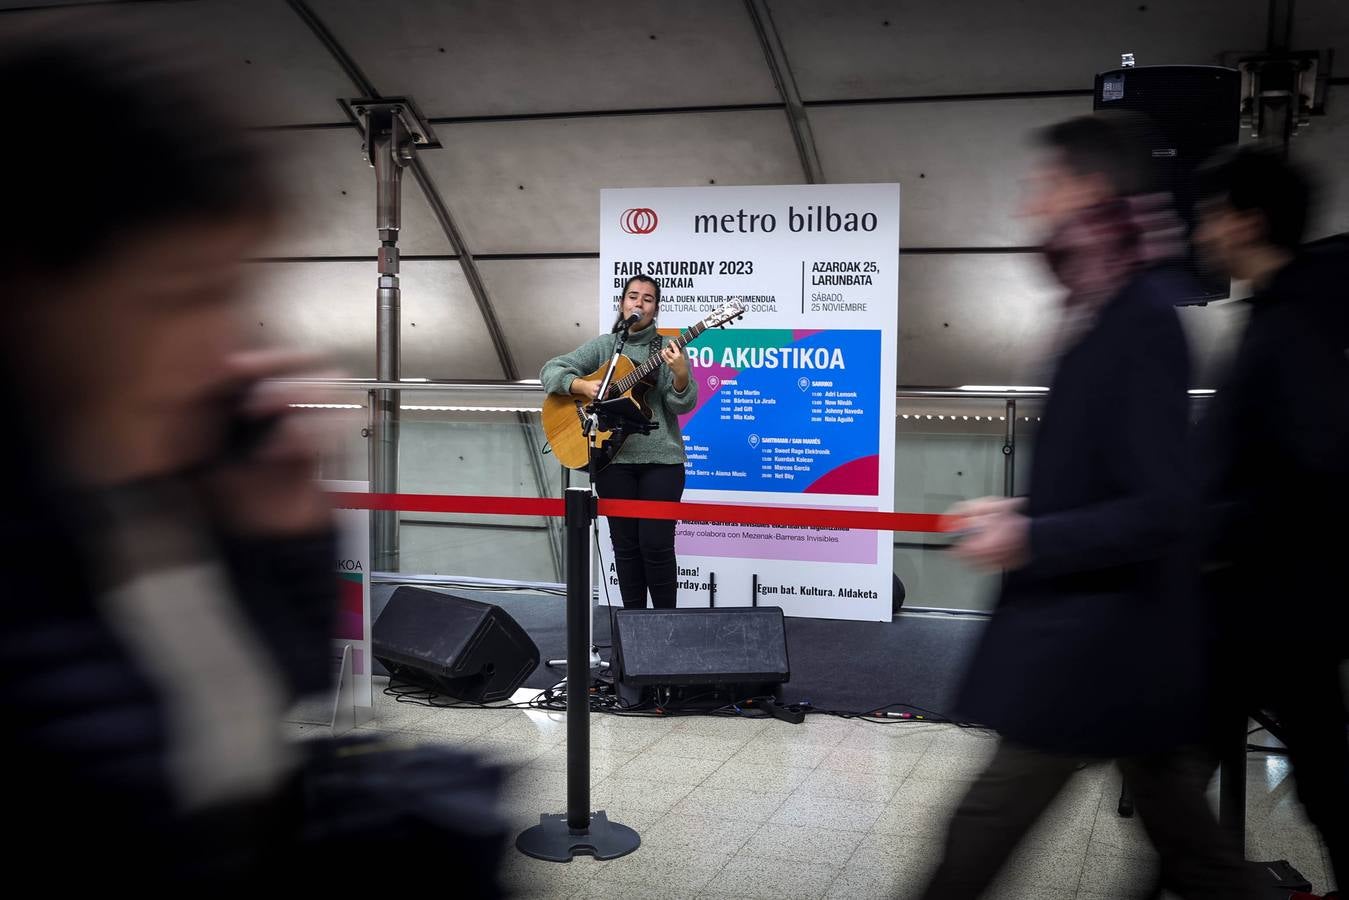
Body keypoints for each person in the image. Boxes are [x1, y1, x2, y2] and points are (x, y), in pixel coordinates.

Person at [0, 32, 505, 892]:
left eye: (234, 292)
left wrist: (281, 551)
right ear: (29, 294)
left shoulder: (166, 483)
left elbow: (251, 743)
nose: (226, 344)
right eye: (180, 297)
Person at [917, 114, 1259, 900]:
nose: (1030, 207)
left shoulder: (1137, 319)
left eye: (1045, 187)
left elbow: (1161, 505)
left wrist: (1031, 534)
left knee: (978, 832)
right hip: (1119, 642)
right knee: (1192, 851)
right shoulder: (1107, 305)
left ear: (1088, 189)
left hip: (1096, 640)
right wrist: (1028, 505)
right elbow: (1113, 475)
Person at [1193, 146, 1348, 900]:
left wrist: (1215, 525)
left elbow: (1311, 465)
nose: (1202, 231)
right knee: (1179, 772)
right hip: (1268, 601)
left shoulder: (1292, 325)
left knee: (1323, 780)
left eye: (1212, 214)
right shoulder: (1281, 313)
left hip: (1278, 604)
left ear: (1248, 221)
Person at [541, 275, 697, 608]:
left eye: (648, 299)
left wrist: (681, 374)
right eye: (633, 296)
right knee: (625, 547)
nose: (639, 303)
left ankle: (666, 626)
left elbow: (680, 404)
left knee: (656, 545)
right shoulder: (605, 347)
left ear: (655, 309)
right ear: (622, 303)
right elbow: (551, 370)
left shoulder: (667, 349)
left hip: (661, 462)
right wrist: (583, 388)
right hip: (613, 459)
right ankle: (632, 628)